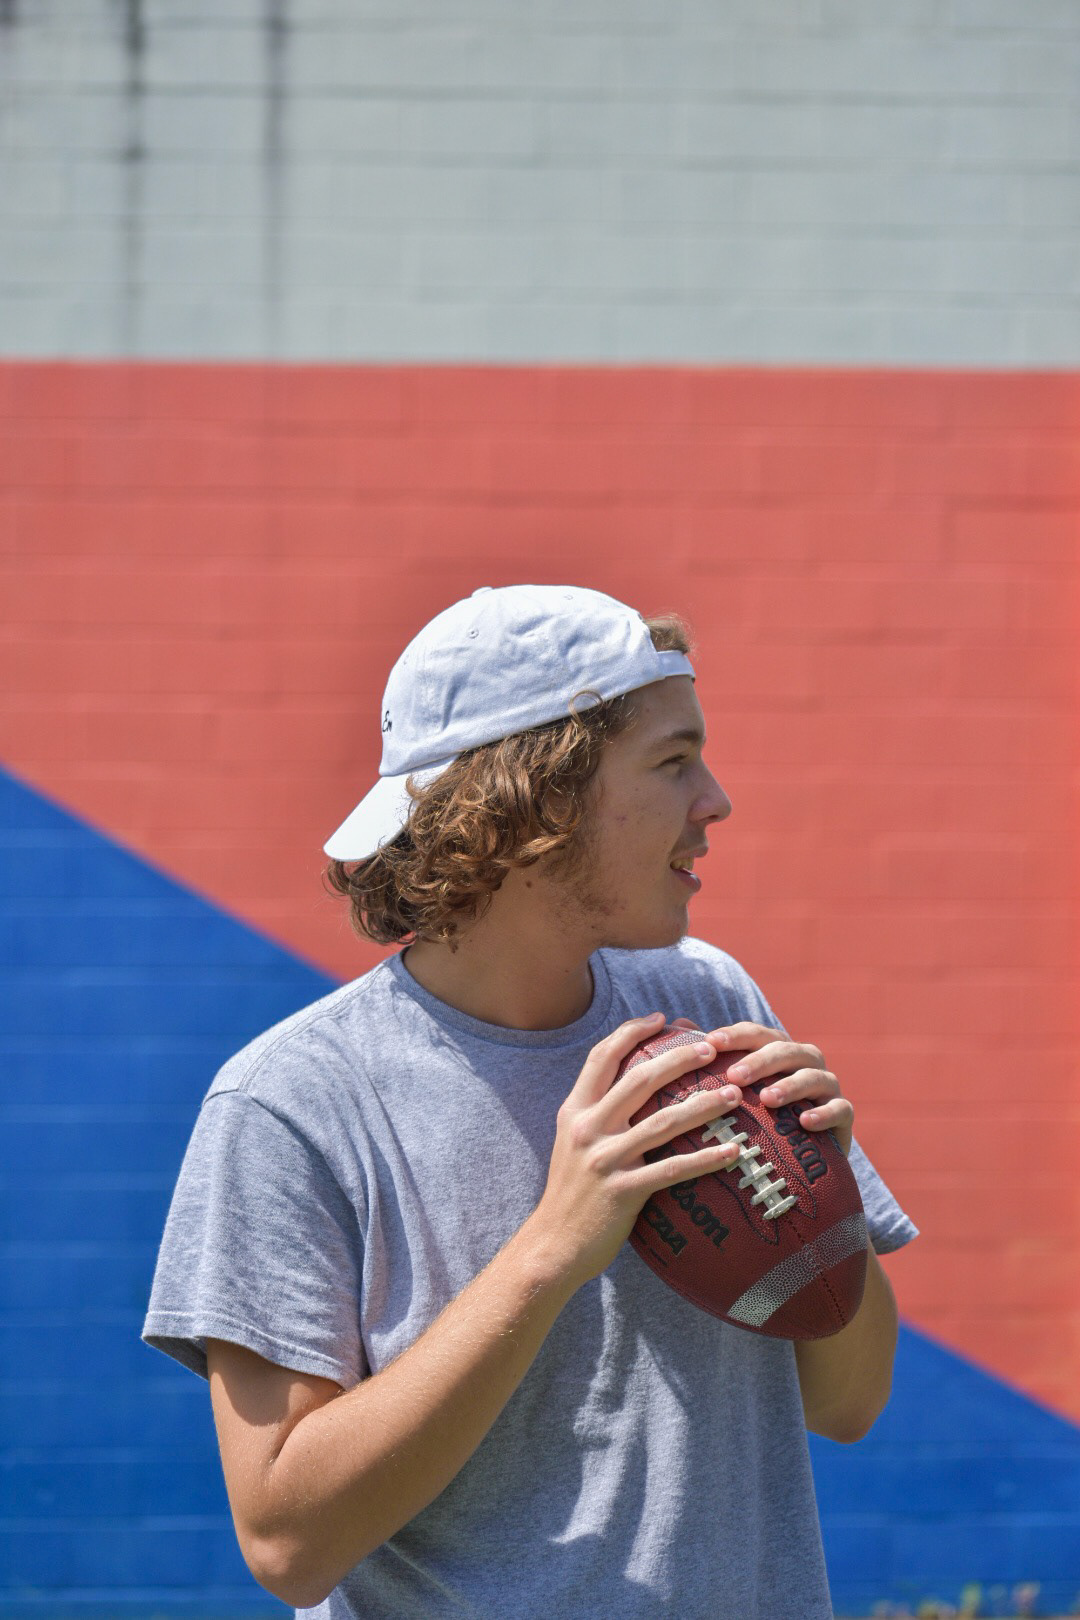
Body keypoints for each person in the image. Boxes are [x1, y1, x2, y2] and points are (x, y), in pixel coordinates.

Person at [143, 583, 916, 1619]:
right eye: (673, 761)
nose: (716, 800)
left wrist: (829, 1210)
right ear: (539, 800)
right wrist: (552, 1249)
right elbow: (287, 1542)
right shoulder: (294, 1102)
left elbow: (851, 1402)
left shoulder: (710, 1006)